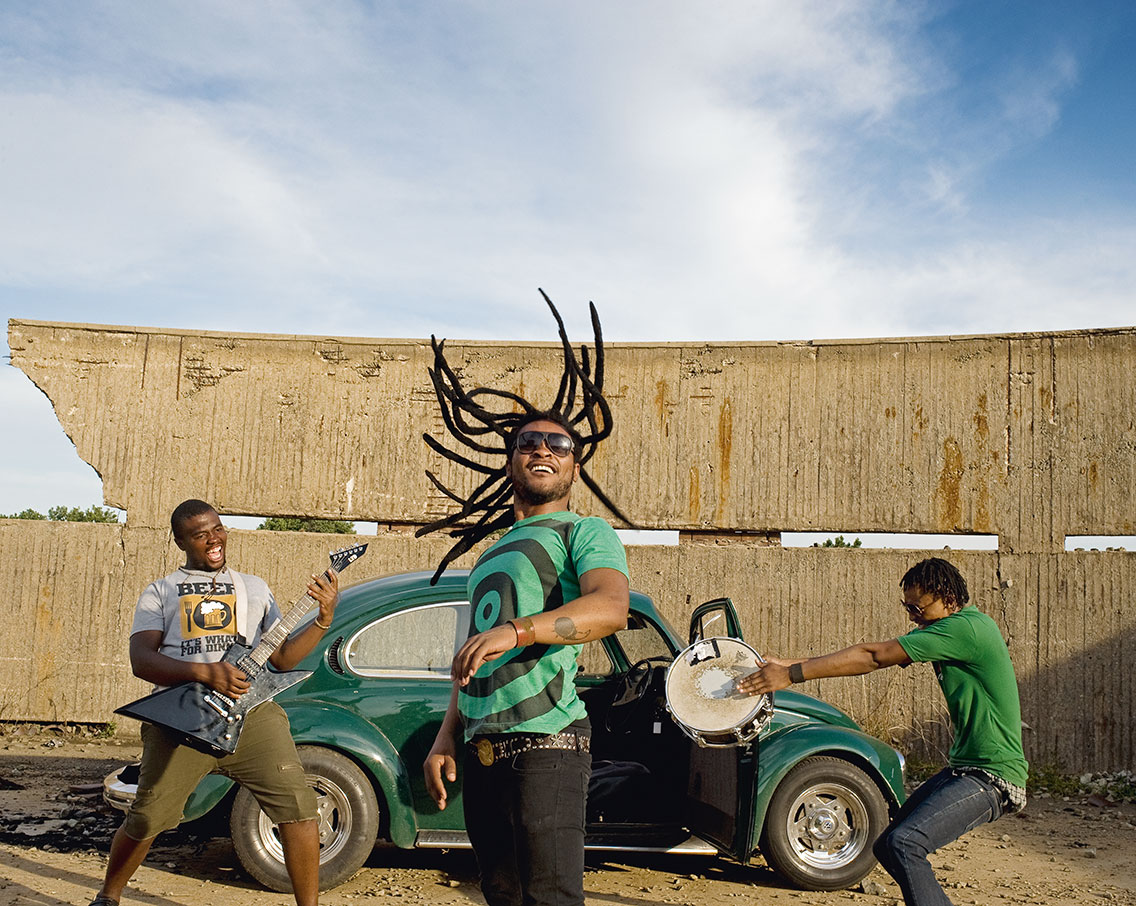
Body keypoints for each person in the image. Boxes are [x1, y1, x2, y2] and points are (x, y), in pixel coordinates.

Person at [422, 412, 630, 906]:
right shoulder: (489, 556)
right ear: (511, 460)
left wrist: (516, 632)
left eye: (558, 444)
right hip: (482, 750)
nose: (543, 450)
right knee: (502, 894)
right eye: (528, 442)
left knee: (549, 899)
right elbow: (473, 658)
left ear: (574, 469)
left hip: (548, 744)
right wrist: (446, 736)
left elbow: (611, 608)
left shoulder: (583, 530)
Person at [89, 498, 340, 906]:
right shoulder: (160, 592)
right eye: (200, 534)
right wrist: (205, 672)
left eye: (217, 528)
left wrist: (324, 619)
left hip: (253, 718)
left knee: (300, 808)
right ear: (180, 541)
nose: (213, 539)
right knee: (149, 817)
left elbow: (282, 657)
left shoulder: (254, 588)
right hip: (182, 720)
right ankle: (109, 896)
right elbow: (142, 661)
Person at [737, 556, 1027, 906]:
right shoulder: (947, 631)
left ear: (947, 598)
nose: (912, 616)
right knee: (887, 843)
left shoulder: (966, 629)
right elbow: (871, 654)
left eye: (918, 607)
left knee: (904, 844)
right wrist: (788, 664)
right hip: (965, 769)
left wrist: (792, 674)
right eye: (907, 607)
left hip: (992, 777)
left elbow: (874, 656)